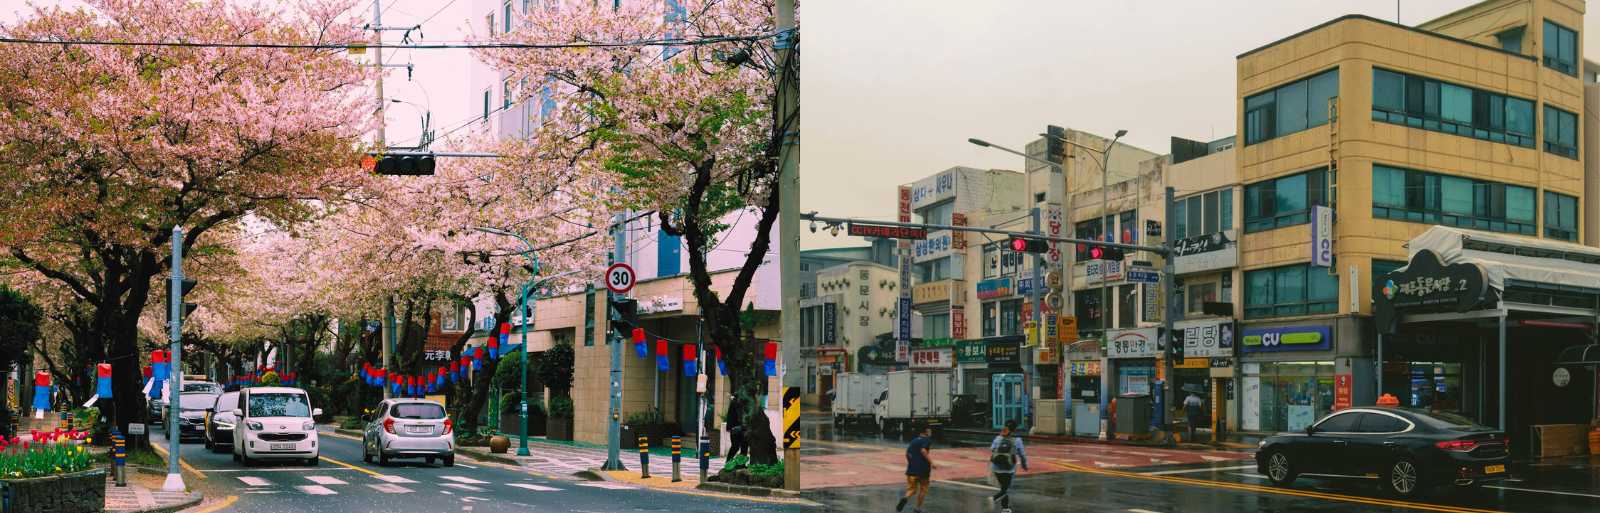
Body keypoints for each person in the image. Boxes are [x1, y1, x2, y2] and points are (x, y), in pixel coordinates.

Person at [989, 420, 1028, 512]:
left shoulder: (998, 438)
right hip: (1009, 469)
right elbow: (1022, 455)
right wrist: (1024, 465)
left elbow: (992, 449)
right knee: (1006, 489)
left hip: (996, 467)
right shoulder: (1017, 440)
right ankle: (994, 498)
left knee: (1003, 487)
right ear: (1015, 429)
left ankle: (1005, 508)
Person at [896, 426, 935, 513]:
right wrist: (932, 462)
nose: (931, 433)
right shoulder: (927, 440)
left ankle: (905, 498)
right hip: (923, 470)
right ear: (926, 432)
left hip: (911, 470)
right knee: (923, 489)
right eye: (930, 431)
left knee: (912, 489)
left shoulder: (913, 441)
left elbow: (907, 454)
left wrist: (911, 463)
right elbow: (923, 451)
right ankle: (917, 508)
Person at [725, 395, 747, 461]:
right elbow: (730, 416)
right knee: (736, 446)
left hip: (742, 428)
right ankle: (728, 461)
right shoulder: (735, 403)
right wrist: (730, 428)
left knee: (744, 446)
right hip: (736, 428)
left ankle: (741, 463)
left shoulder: (744, 403)